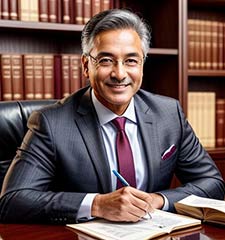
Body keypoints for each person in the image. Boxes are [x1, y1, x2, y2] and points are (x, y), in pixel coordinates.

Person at [0, 9, 224, 224]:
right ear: (87, 65)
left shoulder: (168, 114)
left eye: (131, 61)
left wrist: (160, 200)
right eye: (106, 60)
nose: (119, 73)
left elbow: (213, 183)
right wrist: (97, 205)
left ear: (142, 65)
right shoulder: (51, 122)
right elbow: (12, 200)